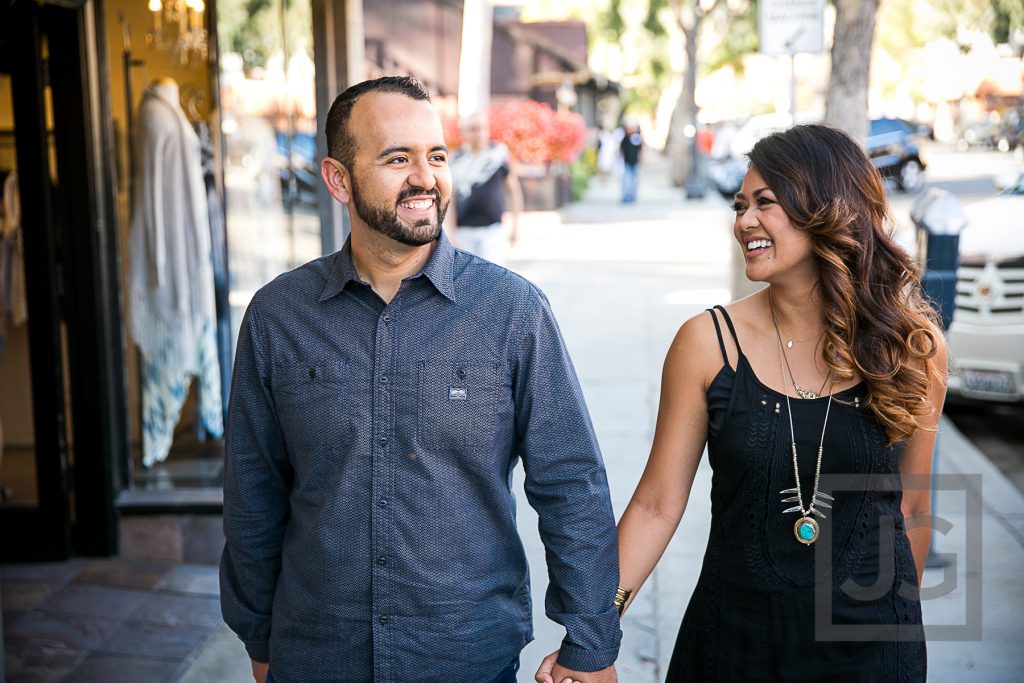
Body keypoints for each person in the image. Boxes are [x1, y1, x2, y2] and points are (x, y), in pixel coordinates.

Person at [220, 76, 621, 683]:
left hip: (467, 657)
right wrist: (257, 631)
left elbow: (571, 481)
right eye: (397, 158)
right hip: (316, 654)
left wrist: (590, 641)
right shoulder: (279, 316)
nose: (425, 177)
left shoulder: (513, 313)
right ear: (338, 179)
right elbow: (253, 489)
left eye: (436, 156)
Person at [538, 124, 946, 682]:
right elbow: (657, 504)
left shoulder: (912, 347)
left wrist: (893, 631)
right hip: (733, 646)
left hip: (869, 657)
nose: (744, 221)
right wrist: (591, 637)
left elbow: (914, 510)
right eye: (740, 205)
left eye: (765, 203)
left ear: (825, 209)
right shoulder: (706, 344)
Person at [448, 112, 523, 264]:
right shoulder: (455, 160)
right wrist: (451, 233)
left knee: (492, 280)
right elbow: (449, 200)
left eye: (482, 128)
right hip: (464, 231)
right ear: (464, 132)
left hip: (492, 230)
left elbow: (514, 191)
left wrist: (515, 226)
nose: (478, 133)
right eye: (473, 129)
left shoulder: (498, 155)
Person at [619, 121, 642, 203]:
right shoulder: (625, 139)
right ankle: (625, 197)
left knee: (634, 181)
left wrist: (641, 160)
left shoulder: (637, 138)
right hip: (627, 163)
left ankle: (632, 197)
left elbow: (640, 150)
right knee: (626, 181)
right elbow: (621, 149)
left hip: (635, 163)